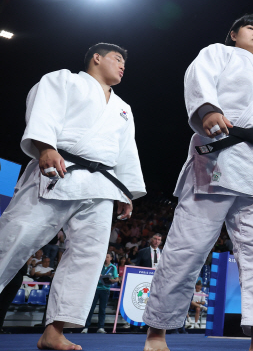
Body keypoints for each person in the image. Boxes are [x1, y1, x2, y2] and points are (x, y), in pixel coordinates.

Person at [143, 14, 253, 351]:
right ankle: (156, 332)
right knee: (186, 247)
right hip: (219, 158)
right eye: (250, 28)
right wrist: (207, 109)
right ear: (233, 34)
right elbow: (198, 79)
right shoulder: (217, 54)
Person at [0, 42, 146, 351]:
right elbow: (44, 111)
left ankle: (55, 330)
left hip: (102, 186)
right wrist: (45, 146)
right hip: (59, 168)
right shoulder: (64, 79)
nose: (122, 66)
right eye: (117, 58)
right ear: (96, 57)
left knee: (87, 258)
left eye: (124, 62)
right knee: (13, 239)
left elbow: (126, 152)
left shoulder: (123, 108)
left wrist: (125, 191)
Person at [81, 253, 119, 334]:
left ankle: (101, 327)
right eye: (105, 257)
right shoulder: (99, 265)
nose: (106, 258)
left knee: (102, 309)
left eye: (108, 257)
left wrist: (113, 280)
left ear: (111, 258)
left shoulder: (113, 267)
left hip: (105, 290)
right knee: (91, 308)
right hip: (96, 289)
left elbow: (117, 279)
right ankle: (86, 327)